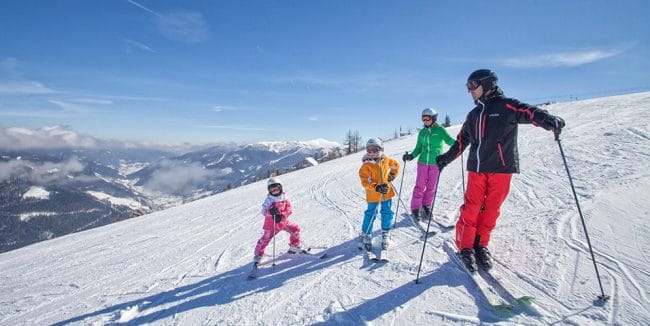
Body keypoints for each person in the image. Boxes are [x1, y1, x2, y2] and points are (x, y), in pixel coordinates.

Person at [436, 69, 565, 272]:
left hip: (501, 168)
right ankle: (466, 247)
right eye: (468, 87)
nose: (470, 91)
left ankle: (481, 244)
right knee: (472, 208)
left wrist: (547, 119)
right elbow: (462, 141)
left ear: (487, 85)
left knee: (491, 209)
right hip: (477, 169)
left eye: (473, 86)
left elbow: (529, 112)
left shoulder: (506, 106)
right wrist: (446, 158)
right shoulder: (474, 114)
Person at [402, 108, 455, 220]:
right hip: (422, 163)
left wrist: (459, 145)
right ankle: (415, 208)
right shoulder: (422, 132)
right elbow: (418, 148)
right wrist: (411, 156)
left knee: (431, 187)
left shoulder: (440, 130)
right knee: (419, 186)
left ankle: (426, 206)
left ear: (434, 118)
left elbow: (449, 140)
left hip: (436, 163)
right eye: (423, 119)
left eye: (428, 119)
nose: (425, 121)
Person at [358, 138, 400, 250]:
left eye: (375, 150)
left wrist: (392, 175)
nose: (372, 153)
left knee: (387, 212)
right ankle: (366, 234)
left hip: (386, 193)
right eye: (369, 150)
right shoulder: (366, 166)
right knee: (371, 213)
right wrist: (376, 186)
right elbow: (365, 182)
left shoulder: (387, 161)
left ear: (381, 149)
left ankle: (385, 232)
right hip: (373, 195)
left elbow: (396, 166)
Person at [253, 177, 302, 267]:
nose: (275, 191)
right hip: (271, 225)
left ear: (281, 188)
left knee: (295, 229)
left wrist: (282, 215)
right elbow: (264, 212)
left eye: (277, 189)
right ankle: (258, 255)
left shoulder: (284, 197)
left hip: (283, 222)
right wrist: (270, 212)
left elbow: (289, 209)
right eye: (272, 189)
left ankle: (294, 246)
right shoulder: (269, 200)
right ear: (269, 190)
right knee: (265, 240)